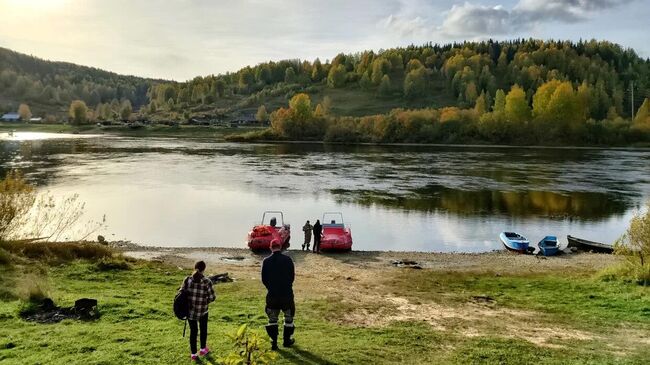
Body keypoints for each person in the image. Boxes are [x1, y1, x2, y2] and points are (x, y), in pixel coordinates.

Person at [262, 239, 296, 350]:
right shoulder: (288, 260)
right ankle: (287, 340)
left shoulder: (266, 261)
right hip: (286, 294)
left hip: (272, 295)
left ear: (270, 248)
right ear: (280, 247)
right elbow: (292, 277)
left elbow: (264, 279)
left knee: (272, 319)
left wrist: (270, 287)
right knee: (288, 318)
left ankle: (274, 342)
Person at [181, 260, 216, 361]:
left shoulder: (187, 279)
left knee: (193, 332)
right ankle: (203, 349)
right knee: (203, 330)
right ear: (204, 269)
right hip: (203, 311)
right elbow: (212, 297)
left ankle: (193, 354)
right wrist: (204, 302)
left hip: (190, 311)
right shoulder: (207, 281)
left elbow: (183, 294)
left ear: (194, 267)